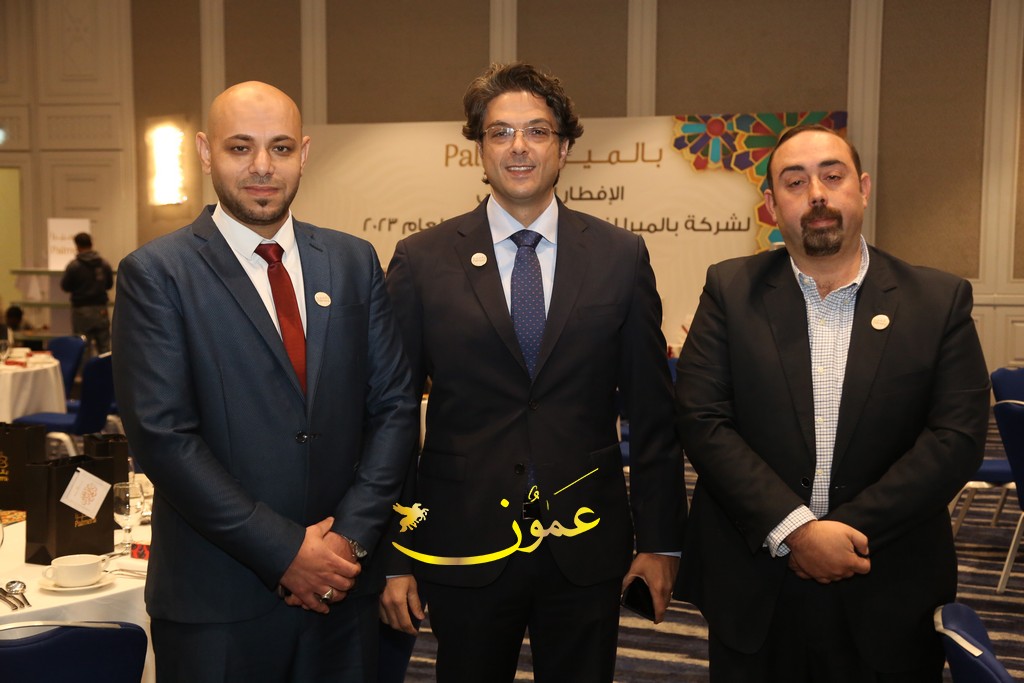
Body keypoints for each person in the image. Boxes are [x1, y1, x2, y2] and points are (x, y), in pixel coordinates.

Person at [378, 62, 686, 682]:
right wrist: (394, 553)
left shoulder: (620, 257)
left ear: (564, 148)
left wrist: (660, 542)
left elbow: (653, 411)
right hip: (463, 539)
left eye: (537, 131)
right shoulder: (422, 261)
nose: (518, 146)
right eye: (500, 132)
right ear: (480, 150)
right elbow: (391, 416)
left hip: (586, 541)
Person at [111, 81, 419, 682]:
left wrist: (348, 542)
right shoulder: (156, 273)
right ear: (206, 153)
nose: (262, 166)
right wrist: (286, 552)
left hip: (341, 592)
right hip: (218, 606)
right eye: (240, 147)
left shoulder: (353, 262)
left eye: (280, 148)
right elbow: (163, 438)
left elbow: (395, 408)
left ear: (303, 153)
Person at [674, 124, 991, 682]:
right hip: (756, 581)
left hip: (887, 579)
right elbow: (703, 419)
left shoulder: (938, 300)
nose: (816, 194)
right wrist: (797, 531)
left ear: (862, 188)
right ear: (772, 205)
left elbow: (956, 438)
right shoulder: (729, 289)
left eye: (832, 176)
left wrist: (842, 534)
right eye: (795, 182)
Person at [60, 232, 113, 354]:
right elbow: (109, 285)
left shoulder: (74, 266)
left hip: (81, 311)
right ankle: (106, 367)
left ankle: (86, 367)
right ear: (91, 244)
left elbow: (65, 286)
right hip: (101, 310)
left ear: (77, 246)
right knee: (104, 347)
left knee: (83, 348)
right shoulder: (104, 264)